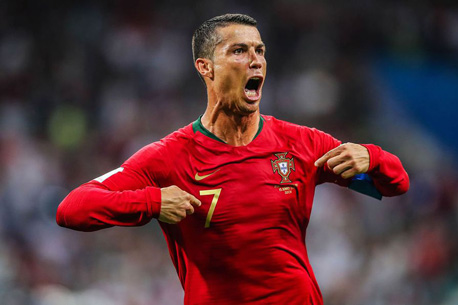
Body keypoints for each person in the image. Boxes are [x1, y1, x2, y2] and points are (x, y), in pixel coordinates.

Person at [56, 13, 409, 304]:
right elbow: (72, 209)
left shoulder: (301, 144)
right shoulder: (170, 157)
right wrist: (152, 201)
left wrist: (373, 157)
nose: (255, 60)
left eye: (260, 50)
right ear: (205, 67)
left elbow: (395, 185)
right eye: (239, 50)